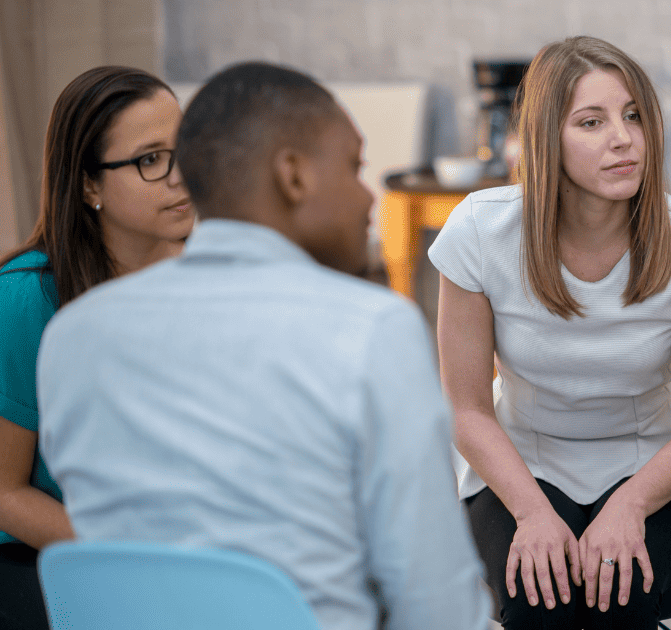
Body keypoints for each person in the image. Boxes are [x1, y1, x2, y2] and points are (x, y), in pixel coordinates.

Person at [36, 62, 489, 630]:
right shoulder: (371, 327)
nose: (366, 198)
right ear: (292, 175)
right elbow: (437, 605)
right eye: (354, 168)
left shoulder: (73, 335)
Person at [429, 36, 671, 629]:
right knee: (539, 601)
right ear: (545, 139)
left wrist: (631, 504)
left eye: (634, 116)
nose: (623, 138)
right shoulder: (479, 231)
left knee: (618, 595)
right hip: (520, 461)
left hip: (654, 466)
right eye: (591, 122)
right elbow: (466, 409)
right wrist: (532, 513)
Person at [0, 66, 193, 630]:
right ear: (89, 186)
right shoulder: (26, 299)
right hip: (44, 552)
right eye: (151, 160)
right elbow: (5, 491)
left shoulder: (205, 276)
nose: (181, 177)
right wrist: (133, 557)